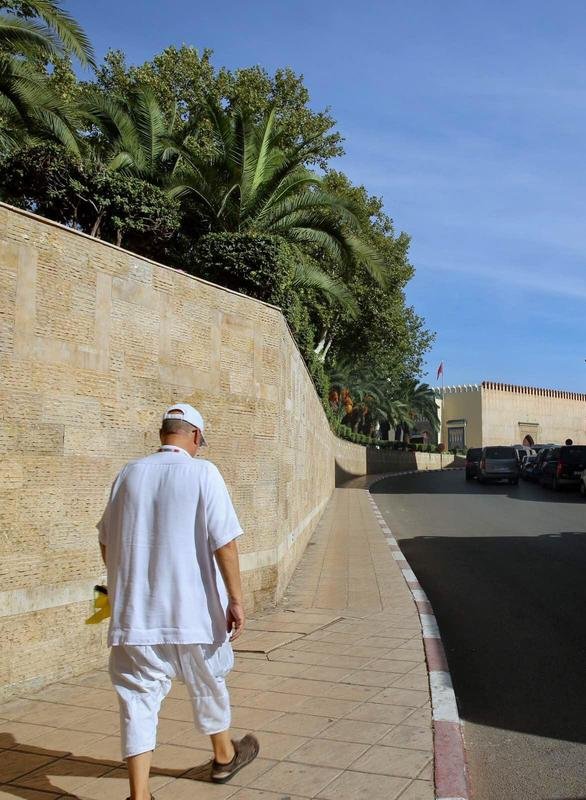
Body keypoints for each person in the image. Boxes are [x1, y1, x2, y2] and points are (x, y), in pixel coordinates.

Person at [97, 403, 259, 800]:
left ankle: (139, 795)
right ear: (196, 437)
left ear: (162, 434)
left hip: (136, 617)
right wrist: (236, 600)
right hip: (194, 614)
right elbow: (225, 542)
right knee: (208, 682)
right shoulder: (203, 472)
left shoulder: (129, 474)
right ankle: (224, 757)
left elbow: (106, 541)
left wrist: (128, 587)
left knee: (137, 698)